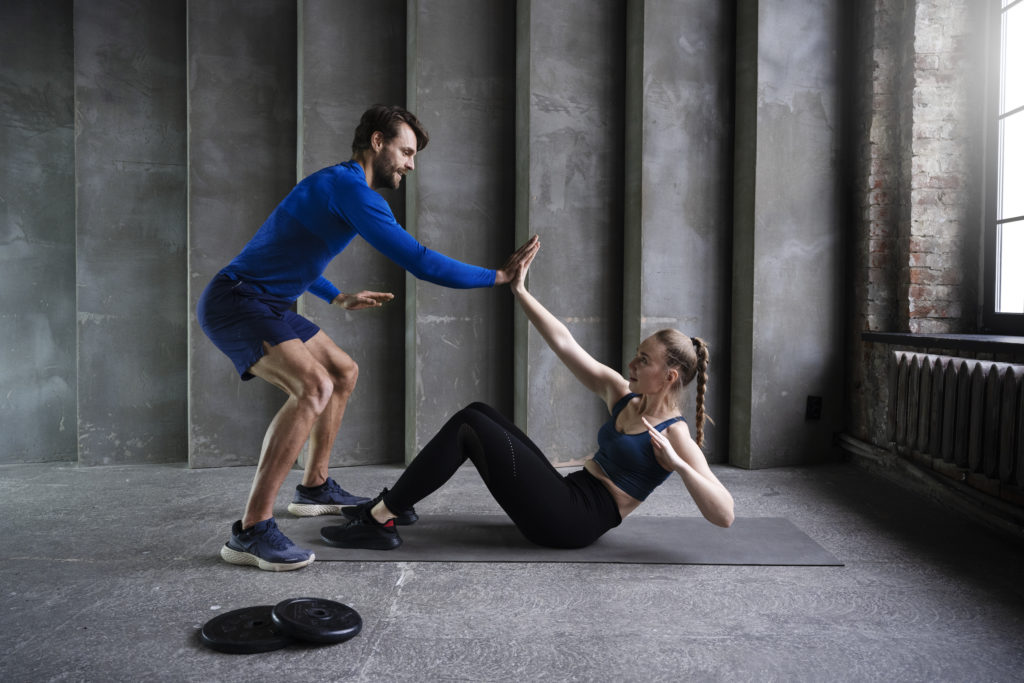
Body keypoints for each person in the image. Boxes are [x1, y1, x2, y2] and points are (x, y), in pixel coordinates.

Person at [197, 104, 540, 571]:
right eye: (405, 151)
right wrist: (500, 276)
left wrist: (336, 296)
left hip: (264, 301)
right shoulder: (352, 190)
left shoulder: (335, 185)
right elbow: (419, 260)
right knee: (313, 386)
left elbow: (288, 251)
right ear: (377, 142)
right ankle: (252, 531)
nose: (410, 164)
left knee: (341, 370)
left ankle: (314, 488)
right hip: (237, 301)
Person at [320, 238, 734, 551]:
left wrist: (679, 464)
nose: (633, 364)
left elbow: (725, 514)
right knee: (478, 411)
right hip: (568, 494)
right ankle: (398, 502)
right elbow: (566, 344)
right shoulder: (623, 394)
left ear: (669, 376)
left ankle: (381, 517)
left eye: (644, 360)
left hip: (573, 523)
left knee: (471, 426)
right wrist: (520, 291)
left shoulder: (674, 434)